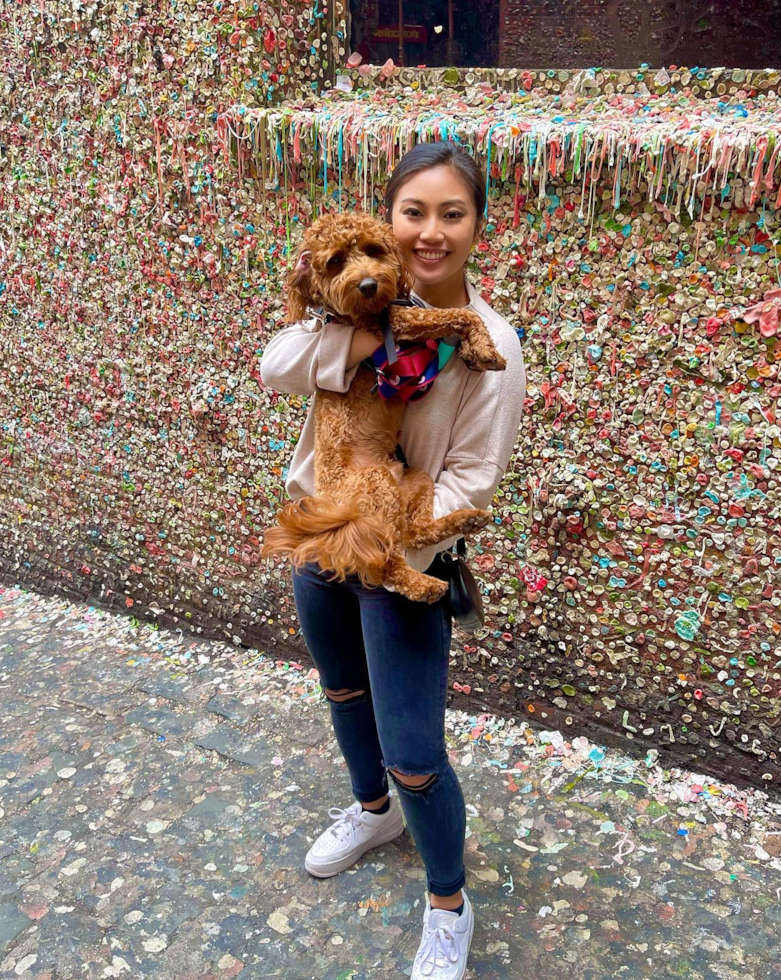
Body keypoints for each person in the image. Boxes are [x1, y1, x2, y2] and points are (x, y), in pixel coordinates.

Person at [259, 141, 526, 979]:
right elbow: (274, 367)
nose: (431, 231)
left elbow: (473, 475)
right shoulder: (347, 315)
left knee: (414, 748)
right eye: (414, 212)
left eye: (452, 213)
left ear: (477, 226)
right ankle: (371, 812)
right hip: (318, 537)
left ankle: (449, 903)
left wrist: (384, 544)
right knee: (340, 689)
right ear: (389, 221)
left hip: (405, 554)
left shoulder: (492, 345)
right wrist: (366, 346)